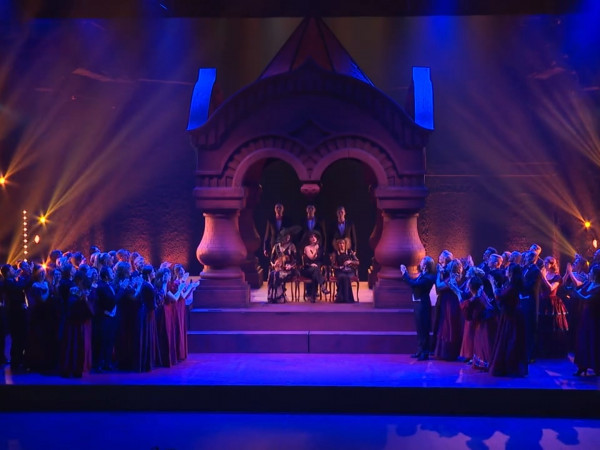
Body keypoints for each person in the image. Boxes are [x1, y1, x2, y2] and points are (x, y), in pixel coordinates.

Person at [488, 263, 528, 377]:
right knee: (508, 340)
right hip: (509, 315)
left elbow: (499, 297)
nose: (505, 270)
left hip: (512, 316)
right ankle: (508, 366)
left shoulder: (513, 286)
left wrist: (492, 284)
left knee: (511, 340)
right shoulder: (510, 284)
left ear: (511, 273)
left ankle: (510, 366)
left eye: (508, 269)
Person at [400, 256, 436, 360]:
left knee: (424, 328)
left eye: (422, 262)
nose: (420, 263)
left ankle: (425, 352)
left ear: (426, 265)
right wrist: (406, 275)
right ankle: (420, 350)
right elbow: (413, 282)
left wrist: (405, 273)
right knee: (419, 328)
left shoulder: (429, 277)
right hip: (418, 304)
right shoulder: (423, 275)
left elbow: (414, 284)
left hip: (423, 305)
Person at [570, 264, 600, 376]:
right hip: (585, 316)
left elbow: (586, 298)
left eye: (591, 272)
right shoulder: (588, 283)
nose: (589, 273)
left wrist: (575, 292)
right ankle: (582, 366)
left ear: (596, 275)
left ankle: (596, 367)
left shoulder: (599, 288)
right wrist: (570, 289)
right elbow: (579, 291)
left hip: (594, 318)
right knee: (583, 340)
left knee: (593, 341)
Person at [538, 256, 568, 358]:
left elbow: (551, 288)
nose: (545, 264)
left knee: (553, 326)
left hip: (552, 303)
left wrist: (543, 277)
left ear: (552, 264)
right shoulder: (543, 273)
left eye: (547, 262)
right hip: (542, 302)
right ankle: (542, 350)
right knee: (542, 326)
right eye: (544, 262)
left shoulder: (557, 277)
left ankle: (554, 351)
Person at [433, 258, 464, 361]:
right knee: (449, 325)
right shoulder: (457, 276)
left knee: (447, 326)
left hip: (449, 304)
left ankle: (447, 353)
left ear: (452, 267)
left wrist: (438, 273)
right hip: (450, 302)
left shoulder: (452, 278)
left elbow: (439, 286)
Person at [520, 250, 542, 363]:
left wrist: (520, 286)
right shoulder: (524, 268)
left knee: (530, 328)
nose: (525, 258)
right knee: (523, 328)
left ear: (533, 258)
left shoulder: (536, 271)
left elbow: (532, 287)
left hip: (530, 301)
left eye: (527, 257)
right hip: (522, 301)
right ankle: (523, 353)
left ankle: (530, 355)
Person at [267, 227, 298, 303]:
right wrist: (273, 264)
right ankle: (272, 296)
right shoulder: (276, 246)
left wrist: (290, 266)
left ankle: (279, 296)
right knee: (272, 274)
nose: (288, 237)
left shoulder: (292, 246)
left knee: (278, 275)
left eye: (289, 236)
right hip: (278, 268)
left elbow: (296, 260)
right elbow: (271, 259)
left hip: (289, 270)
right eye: (286, 236)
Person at [300, 230, 329, 303]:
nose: (313, 238)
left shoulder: (321, 248)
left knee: (315, 273)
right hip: (307, 268)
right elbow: (311, 258)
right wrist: (316, 250)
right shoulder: (307, 248)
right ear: (309, 239)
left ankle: (312, 296)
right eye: (311, 237)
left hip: (317, 270)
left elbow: (323, 260)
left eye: (315, 237)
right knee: (315, 270)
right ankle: (322, 285)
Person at [331, 237, 359, 303]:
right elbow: (332, 265)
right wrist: (339, 267)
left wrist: (350, 261)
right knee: (342, 277)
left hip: (349, 271)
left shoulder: (349, 252)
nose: (342, 245)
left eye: (343, 243)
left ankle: (345, 298)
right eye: (340, 243)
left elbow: (357, 262)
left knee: (346, 277)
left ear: (346, 244)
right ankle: (343, 298)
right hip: (339, 271)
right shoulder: (335, 253)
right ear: (337, 245)